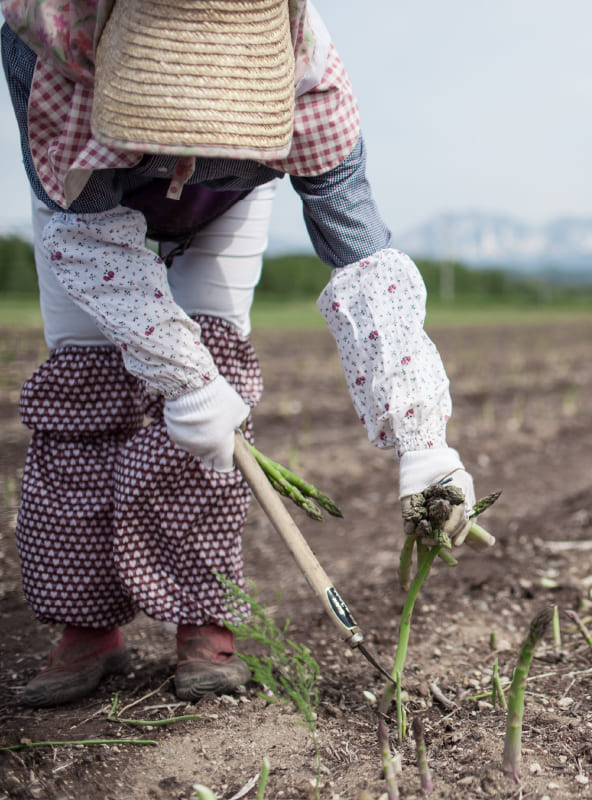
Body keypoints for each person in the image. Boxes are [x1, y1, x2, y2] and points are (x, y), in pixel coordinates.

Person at [1, 0, 481, 707]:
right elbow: (90, 235)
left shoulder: (312, 85)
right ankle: (87, 625)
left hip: (223, 210)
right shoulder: (45, 51)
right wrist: (180, 377)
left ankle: (201, 615)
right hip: (91, 216)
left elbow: (359, 252)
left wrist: (423, 441)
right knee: (86, 387)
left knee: (214, 376)